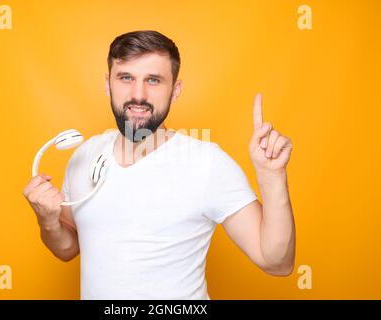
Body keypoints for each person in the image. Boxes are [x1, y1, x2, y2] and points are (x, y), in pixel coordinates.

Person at [22, 30, 295, 300]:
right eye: (126, 77)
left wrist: (272, 177)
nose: (138, 94)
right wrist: (48, 222)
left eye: (153, 80)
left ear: (175, 90)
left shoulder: (207, 163)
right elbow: (67, 249)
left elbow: (277, 263)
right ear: (108, 84)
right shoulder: (84, 156)